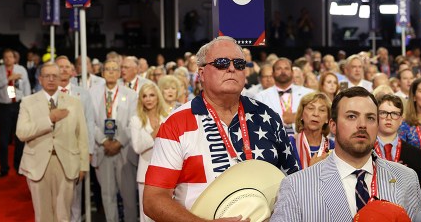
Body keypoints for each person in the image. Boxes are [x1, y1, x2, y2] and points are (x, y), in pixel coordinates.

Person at [143, 36, 299, 221]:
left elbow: (294, 183)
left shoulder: (268, 117)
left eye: (239, 64)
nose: (232, 68)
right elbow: (153, 199)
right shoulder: (177, 123)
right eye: (221, 63)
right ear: (201, 73)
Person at [271, 87, 421, 221]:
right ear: (333, 125)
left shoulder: (406, 179)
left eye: (370, 118)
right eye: (351, 116)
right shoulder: (296, 186)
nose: (362, 125)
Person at [16, 62, 89, 221]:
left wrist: (83, 165)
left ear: (60, 78)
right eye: (47, 76)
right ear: (40, 79)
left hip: (67, 163)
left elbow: (81, 135)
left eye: (54, 76)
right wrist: (49, 119)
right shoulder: (28, 102)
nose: (51, 79)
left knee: (64, 215)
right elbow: (21, 133)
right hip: (38, 164)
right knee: (43, 216)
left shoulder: (74, 102)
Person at [91, 59, 139, 222]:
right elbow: (90, 121)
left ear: (119, 73)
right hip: (102, 149)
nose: (111, 72)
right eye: (107, 69)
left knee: (129, 196)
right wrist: (104, 141)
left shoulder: (131, 94)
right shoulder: (92, 92)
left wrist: (118, 142)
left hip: (124, 151)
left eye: (114, 69)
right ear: (102, 73)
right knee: (107, 195)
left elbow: (133, 121)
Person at [54, 55, 96, 222]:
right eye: (60, 67)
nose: (64, 70)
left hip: (75, 153)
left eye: (67, 67)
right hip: (53, 155)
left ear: (72, 71)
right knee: (55, 200)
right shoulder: (45, 94)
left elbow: (89, 124)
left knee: (75, 200)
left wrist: (89, 151)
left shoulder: (83, 94)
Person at [374, 94, 421, 202]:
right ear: (375, 116)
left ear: (401, 120)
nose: (389, 118)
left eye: (394, 114)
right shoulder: (365, 151)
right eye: (383, 113)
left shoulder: (416, 154)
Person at [130, 83, 169, 222]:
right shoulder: (136, 120)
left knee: (166, 213)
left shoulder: (168, 116)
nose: (148, 99)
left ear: (157, 97)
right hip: (145, 173)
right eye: (144, 96)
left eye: (152, 95)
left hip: (167, 172)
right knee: (146, 216)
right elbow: (137, 147)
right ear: (141, 99)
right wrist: (155, 133)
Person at [0, 48, 31, 177]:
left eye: (10, 57)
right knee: (3, 140)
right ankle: (4, 168)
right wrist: (9, 78)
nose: (8, 59)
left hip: (18, 105)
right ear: (3, 59)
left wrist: (27, 105)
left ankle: (18, 166)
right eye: (6, 57)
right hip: (4, 107)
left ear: (15, 58)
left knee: (19, 138)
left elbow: (27, 87)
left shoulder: (21, 69)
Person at [255, 58, 314, 135]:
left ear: (292, 72)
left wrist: (297, 117)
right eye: (279, 69)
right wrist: (283, 119)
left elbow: (315, 117)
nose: (283, 72)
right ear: (273, 73)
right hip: (274, 141)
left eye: (286, 68)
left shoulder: (308, 94)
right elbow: (258, 123)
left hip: (304, 140)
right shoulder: (261, 97)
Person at [290, 92, 335, 169]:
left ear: (327, 119)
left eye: (322, 110)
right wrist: (312, 170)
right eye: (311, 108)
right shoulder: (288, 144)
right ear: (301, 115)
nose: (316, 114)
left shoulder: (334, 147)